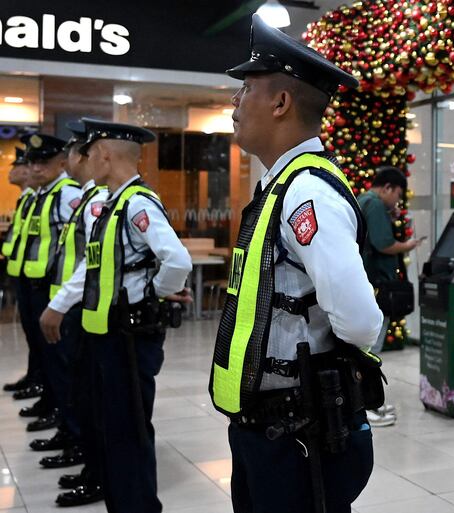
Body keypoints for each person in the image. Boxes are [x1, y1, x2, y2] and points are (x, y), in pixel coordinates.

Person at [209, 14, 383, 513]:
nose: (234, 104)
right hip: (267, 428)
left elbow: (361, 321)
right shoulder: (280, 187)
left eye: (245, 90)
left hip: (297, 434)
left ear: (281, 103)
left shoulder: (307, 191)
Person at [76, 118, 192, 513]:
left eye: (90, 153)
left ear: (106, 154)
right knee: (112, 429)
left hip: (128, 337)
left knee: (129, 433)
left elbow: (177, 260)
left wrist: (152, 294)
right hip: (107, 333)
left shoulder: (137, 203)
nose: (86, 160)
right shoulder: (112, 203)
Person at [37, 120, 109, 507]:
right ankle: (85, 459)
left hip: (83, 308)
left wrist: (60, 303)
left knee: (87, 396)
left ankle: (93, 468)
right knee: (79, 392)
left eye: (72, 152)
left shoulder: (97, 200)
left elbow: (90, 264)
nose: (67, 158)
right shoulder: (84, 196)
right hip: (74, 307)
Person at [13, 134, 81, 433]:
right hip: (36, 282)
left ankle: (67, 421)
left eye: (44, 162)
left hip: (56, 288)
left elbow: (80, 242)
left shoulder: (67, 195)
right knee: (44, 353)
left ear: (63, 163)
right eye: (33, 162)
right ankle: (52, 404)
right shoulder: (43, 193)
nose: (36, 169)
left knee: (59, 359)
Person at [358, 166, 421, 427]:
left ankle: (370, 402)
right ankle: (365, 405)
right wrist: (408, 246)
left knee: (367, 347)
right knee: (371, 348)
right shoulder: (373, 204)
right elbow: (384, 243)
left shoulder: (366, 200)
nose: (397, 200)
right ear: (387, 188)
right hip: (375, 285)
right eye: (397, 194)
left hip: (365, 282)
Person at [2, 147, 37, 393]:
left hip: (39, 278)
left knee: (42, 339)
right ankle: (34, 378)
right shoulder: (26, 199)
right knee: (33, 336)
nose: (11, 171)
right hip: (23, 273)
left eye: (18, 166)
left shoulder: (38, 198)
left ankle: (40, 383)